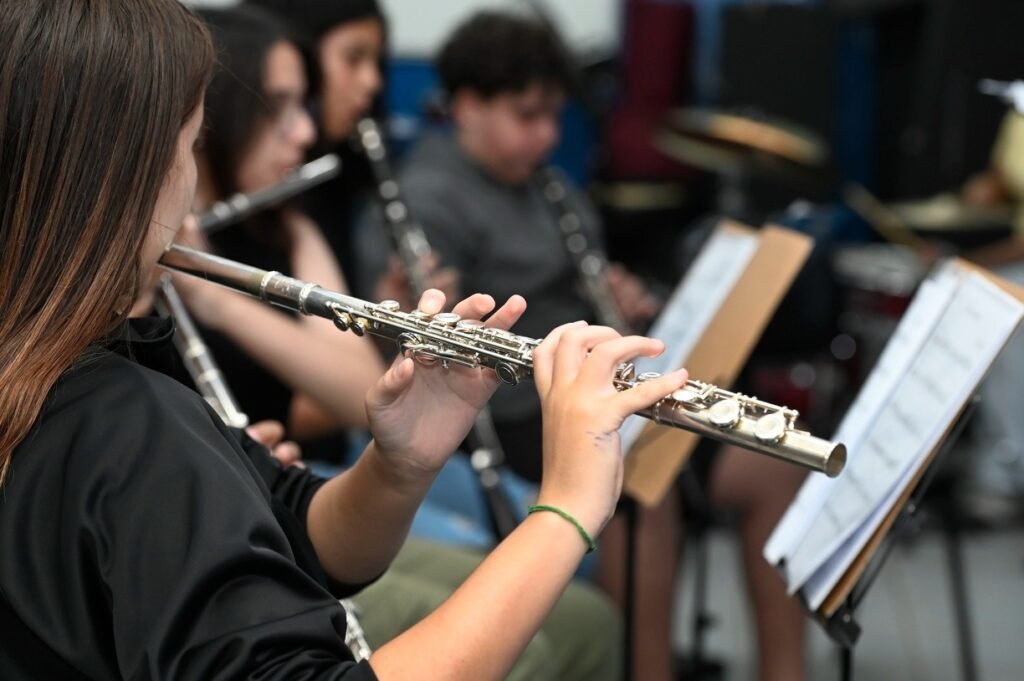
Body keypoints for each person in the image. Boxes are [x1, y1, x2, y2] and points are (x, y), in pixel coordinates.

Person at [1, 2, 696, 679]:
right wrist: (566, 507)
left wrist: (401, 464)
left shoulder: (91, 382)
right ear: (130, 175)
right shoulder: (128, 424)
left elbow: (304, 532)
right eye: (191, 145)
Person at [169, 7, 622, 680]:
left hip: (301, 486)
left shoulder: (288, 227)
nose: (304, 131)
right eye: (280, 108)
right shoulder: (145, 277)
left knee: (585, 612)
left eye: (303, 104)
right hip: (249, 508)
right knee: (519, 627)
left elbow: (354, 389)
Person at [356, 11, 809, 681]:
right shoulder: (426, 196)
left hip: (599, 387)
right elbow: (404, 336)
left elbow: (579, 284)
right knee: (642, 492)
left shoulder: (550, 186)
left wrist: (617, 299)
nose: (547, 135)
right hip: (516, 410)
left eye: (553, 116)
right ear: (467, 106)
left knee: (774, 472)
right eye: (527, 115)